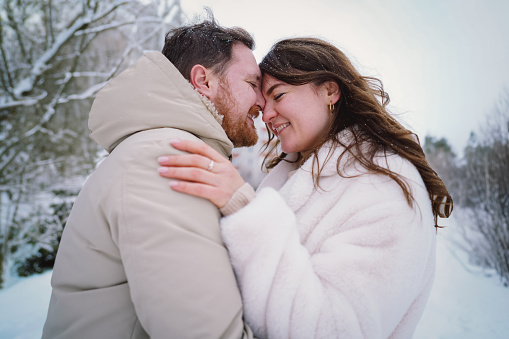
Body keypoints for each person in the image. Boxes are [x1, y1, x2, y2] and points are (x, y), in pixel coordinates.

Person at [157, 37, 453, 338]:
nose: (266, 113)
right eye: (264, 100)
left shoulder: (386, 186)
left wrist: (246, 209)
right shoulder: (292, 172)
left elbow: (333, 330)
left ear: (329, 90)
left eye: (279, 95)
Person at [42, 16, 264, 339]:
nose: (261, 101)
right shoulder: (163, 158)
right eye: (252, 84)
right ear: (203, 81)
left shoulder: (160, 150)